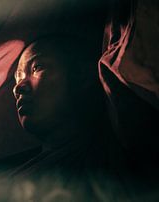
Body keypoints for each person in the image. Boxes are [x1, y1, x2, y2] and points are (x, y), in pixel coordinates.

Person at [10, 35, 130, 201]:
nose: (18, 87)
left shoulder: (121, 152)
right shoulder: (6, 181)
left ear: (81, 75)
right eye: (18, 78)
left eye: (37, 67)